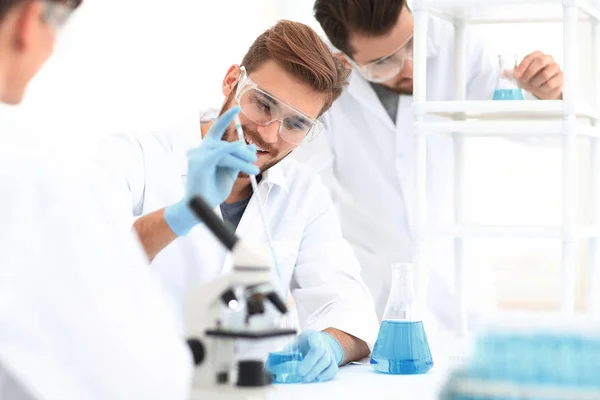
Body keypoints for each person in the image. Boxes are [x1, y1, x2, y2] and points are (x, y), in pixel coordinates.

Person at [95, 20, 380, 384]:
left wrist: (332, 345)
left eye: (296, 124)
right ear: (232, 81)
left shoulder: (304, 193)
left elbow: (348, 306)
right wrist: (185, 212)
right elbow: (93, 260)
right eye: (262, 104)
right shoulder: (133, 154)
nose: (269, 133)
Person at [0, 0, 258, 398]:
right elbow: (144, 377)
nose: (270, 134)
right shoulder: (39, 174)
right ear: (31, 21)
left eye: (296, 123)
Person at [292, 0, 564, 329]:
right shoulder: (320, 84)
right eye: (383, 62)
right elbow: (306, 191)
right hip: (368, 287)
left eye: (412, 44)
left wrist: (546, 96)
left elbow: (540, 133)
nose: (410, 66)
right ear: (343, 60)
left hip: (456, 284)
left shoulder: (457, 43)